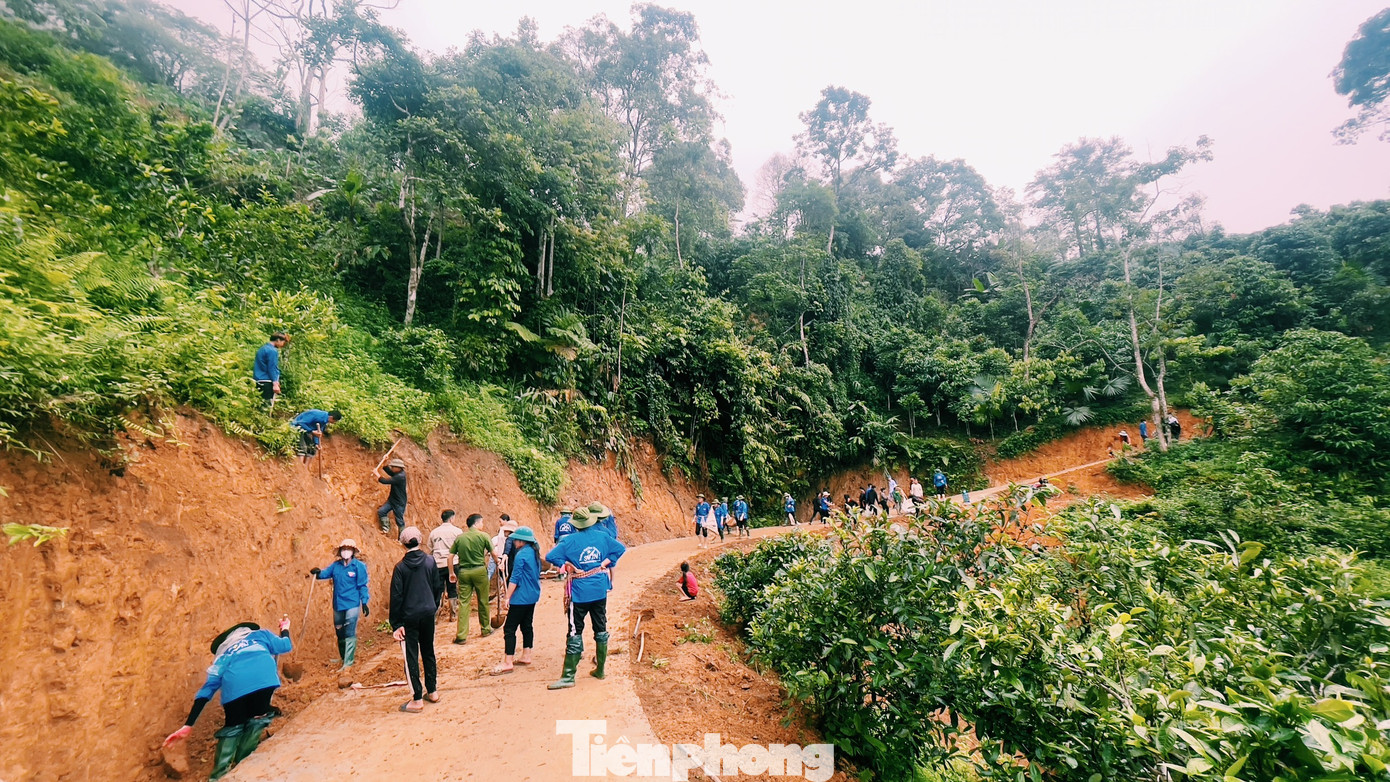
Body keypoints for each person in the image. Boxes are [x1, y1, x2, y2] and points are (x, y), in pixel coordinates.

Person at [162, 617, 292, 780]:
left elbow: (206, 691)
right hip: (265, 681)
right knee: (257, 718)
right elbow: (286, 645)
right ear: (247, 630)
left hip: (236, 688)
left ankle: (219, 775)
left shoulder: (223, 655)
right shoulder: (261, 635)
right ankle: (243, 765)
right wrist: (285, 628)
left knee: (233, 726)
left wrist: (189, 724)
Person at [544, 505, 626, 689]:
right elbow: (619, 549)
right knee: (601, 627)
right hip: (599, 589)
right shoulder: (603, 536)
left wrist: (566, 563)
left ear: (575, 524)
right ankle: (601, 669)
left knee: (575, 630)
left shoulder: (569, 541)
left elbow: (550, 556)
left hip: (580, 592)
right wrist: (604, 562)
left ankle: (568, 676)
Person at [390, 526, 442, 713]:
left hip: (409, 617)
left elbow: (396, 597)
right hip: (428, 612)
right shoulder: (430, 561)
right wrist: (433, 606)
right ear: (420, 540)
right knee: (428, 651)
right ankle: (433, 691)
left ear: (403, 544)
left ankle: (417, 699)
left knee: (410, 655)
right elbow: (437, 587)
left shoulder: (400, 568)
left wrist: (397, 624)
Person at [309, 539, 369, 669]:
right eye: (344, 549)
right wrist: (317, 573)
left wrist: (364, 602)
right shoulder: (336, 566)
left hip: (352, 603)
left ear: (353, 551)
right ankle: (343, 658)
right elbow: (325, 573)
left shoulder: (359, 567)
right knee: (339, 631)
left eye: (348, 549)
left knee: (349, 630)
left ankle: (349, 661)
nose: (346, 551)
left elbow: (363, 585)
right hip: (338, 604)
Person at [491, 526, 541, 676]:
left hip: (521, 597)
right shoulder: (534, 552)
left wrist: (507, 597)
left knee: (510, 628)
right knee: (527, 625)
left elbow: (515, 579)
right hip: (532, 594)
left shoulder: (521, 555)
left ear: (521, 541)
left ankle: (508, 661)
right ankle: (526, 654)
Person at [448, 513, 497, 644]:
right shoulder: (484, 536)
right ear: (476, 523)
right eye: (482, 522)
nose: (483, 525)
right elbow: (493, 554)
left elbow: (450, 557)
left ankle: (461, 635)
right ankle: (486, 629)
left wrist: (451, 573)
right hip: (479, 571)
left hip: (463, 572)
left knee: (464, 603)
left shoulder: (460, 538)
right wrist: (499, 563)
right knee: (483, 600)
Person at [429, 510, 463, 620]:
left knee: (438, 590)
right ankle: (453, 614)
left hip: (437, 564)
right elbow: (461, 547)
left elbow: (430, 547)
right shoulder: (457, 531)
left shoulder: (434, 532)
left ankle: (435, 616)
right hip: (453, 563)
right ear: (452, 518)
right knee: (452, 588)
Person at [253, 333, 288, 409]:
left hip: (258, 379)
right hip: (267, 381)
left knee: (259, 404)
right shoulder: (272, 351)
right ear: (278, 340)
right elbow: (272, 367)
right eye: (283, 342)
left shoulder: (262, 349)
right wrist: (275, 383)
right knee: (267, 405)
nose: (282, 345)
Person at [375, 458, 408, 535]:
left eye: (393, 467)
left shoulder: (400, 476)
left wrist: (377, 474)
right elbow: (390, 472)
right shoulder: (398, 473)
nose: (392, 468)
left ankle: (402, 539)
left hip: (399, 502)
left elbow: (385, 481)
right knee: (381, 512)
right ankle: (386, 529)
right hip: (392, 500)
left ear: (398, 468)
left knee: (399, 521)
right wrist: (385, 464)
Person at [491, 516, 518, 582]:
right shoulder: (519, 539)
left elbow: (506, 551)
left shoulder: (510, 539)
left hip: (511, 563)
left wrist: (502, 562)